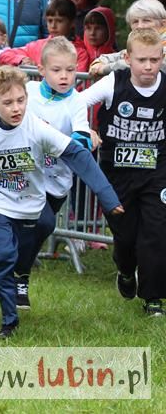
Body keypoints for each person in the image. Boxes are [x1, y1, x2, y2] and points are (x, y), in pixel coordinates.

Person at [0, 66, 122, 338]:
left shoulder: (36, 127)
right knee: (6, 256)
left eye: (21, 101)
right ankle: (9, 322)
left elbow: (77, 154)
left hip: (31, 203)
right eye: (8, 103)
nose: (16, 108)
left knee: (38, 229)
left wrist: (108, 196)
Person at [80, 28, 166, 317]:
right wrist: (86, 129)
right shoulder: (112, 83)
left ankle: (153, 297)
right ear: (127, 59)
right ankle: (126, 271)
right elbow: (76, 103)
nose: (148, 67)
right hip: (117, 174)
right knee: (126, 237)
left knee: (156, 232)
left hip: (157, 171)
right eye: (142, 60)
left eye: (154, 60)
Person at [11, 37, 94, 310]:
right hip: (25, 175)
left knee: (34, 234)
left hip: (57, 181)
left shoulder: (76, 101)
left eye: (70, 70)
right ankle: (20, 281)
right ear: (42, 69)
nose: (64, 76)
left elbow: (81, 133)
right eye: (57, 70)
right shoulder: (29, 91)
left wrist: (83, 138)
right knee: (43, 223)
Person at [0, 0, 90, 71]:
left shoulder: (80, 53)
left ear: (72, 23)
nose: (53, 26)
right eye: (50, 21)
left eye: (59, 21)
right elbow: (4, 55)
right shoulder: (38, 46)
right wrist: (21, 60)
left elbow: (78, 82)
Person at [89, 0, 166, 78]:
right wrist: (99, 62)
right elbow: (121, 55)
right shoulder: (140, 45)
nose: (139, 26)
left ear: (163, 24)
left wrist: (104, 69)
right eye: (135, 22)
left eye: (146, 21)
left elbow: (135, 65)